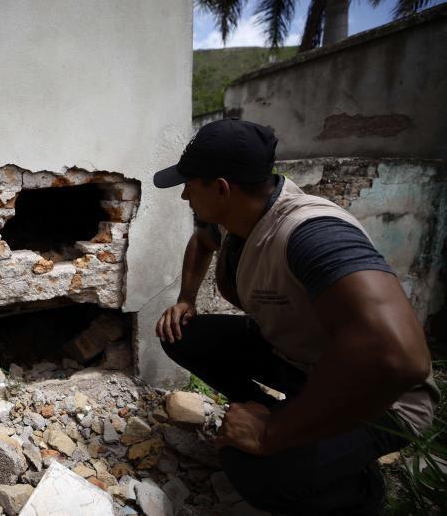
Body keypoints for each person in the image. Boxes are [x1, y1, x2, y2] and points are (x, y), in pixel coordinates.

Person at [152, 118, 439, 515]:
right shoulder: (237, 218)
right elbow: (201, 240)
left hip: (380, 400)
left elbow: (401, 358)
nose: (184, 195)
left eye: (189, 184)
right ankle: (263, 416)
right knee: (181, 334)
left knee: (252, 469)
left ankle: (360, 493)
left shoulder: (312, 234)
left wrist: (271, 435)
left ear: (221, 188)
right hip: (302, 364)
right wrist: (186, 299)